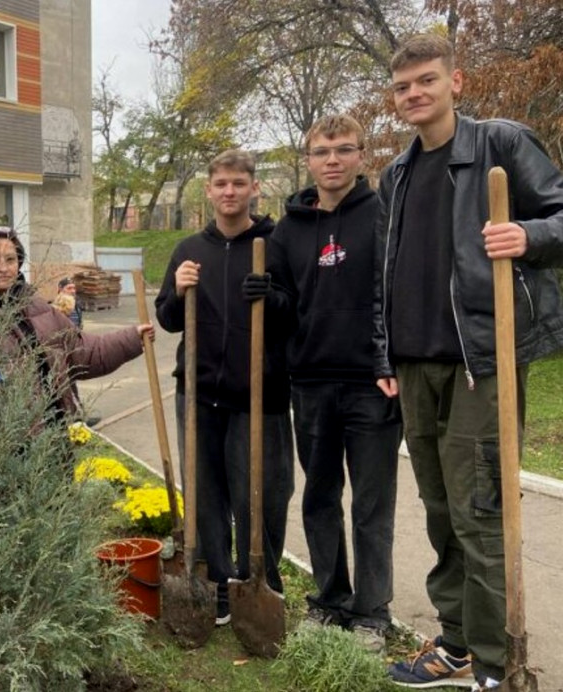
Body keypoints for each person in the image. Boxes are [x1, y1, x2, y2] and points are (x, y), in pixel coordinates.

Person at [374, 34, 563, 691]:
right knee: (440, 509)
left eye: (427, 80)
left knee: (480, 510)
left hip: (480, 359)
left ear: (455, 82)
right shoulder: (396, 175)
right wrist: (385, 351)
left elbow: (561, 214)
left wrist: (530, 234)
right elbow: (386, 273)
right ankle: (456, 642)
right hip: (415, 365)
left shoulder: (500, 146)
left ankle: (494, 660)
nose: (414, 94)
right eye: (403, 87)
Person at [264, 115, 402, 653]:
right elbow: (285, 304)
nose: (333, 160)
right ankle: (330, 600)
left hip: (372, 383)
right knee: (320, 498)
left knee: (372, 505)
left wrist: (390, 361)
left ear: (362, 155)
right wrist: (266, 295)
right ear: (308, 160)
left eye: (344, 149)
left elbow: (395, 293)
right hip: (311, 383)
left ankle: (372, 613)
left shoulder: (383, 214)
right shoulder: (289, 229)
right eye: (322, 151)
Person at [155, 149, 295, 627]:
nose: (229, 191)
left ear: (255, 188)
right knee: (204, 494)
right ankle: (216, 585)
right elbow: (168, 319)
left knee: (261, 494)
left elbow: (297, 313)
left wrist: (272, 297)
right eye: (221, 184)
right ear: (209, 190)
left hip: (259, 394)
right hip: (198, 393)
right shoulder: (189, 249)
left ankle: (259, 582)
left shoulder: (276, 246)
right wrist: (178, 290)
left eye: (238, 183)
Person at [0, 226, 152, 423]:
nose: (4, 268)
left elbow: (86, 351)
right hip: (3, 438)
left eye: (10, 259)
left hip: (55, 435)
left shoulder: (38, 307)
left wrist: (133, 337)